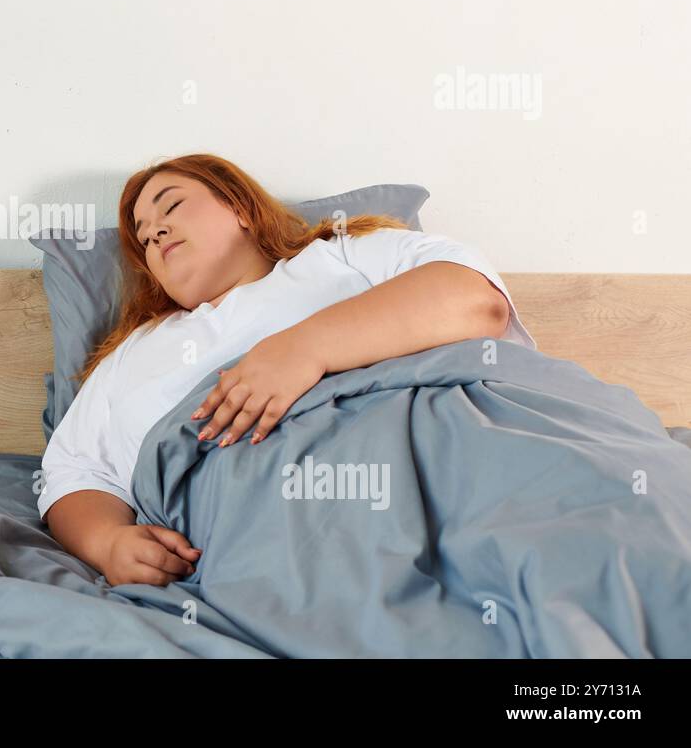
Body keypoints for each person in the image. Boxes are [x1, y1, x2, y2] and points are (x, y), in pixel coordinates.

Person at [38, 153, 535, 587]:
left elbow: (475, 299)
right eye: (144, 239)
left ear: (240, 207)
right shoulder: (134, 352)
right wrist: (108, 543)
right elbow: (71, 469)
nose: (156, 232)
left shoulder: (341, 256)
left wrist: (305, 348)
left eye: (169, 207)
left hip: (424, 457)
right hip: (262, 524)